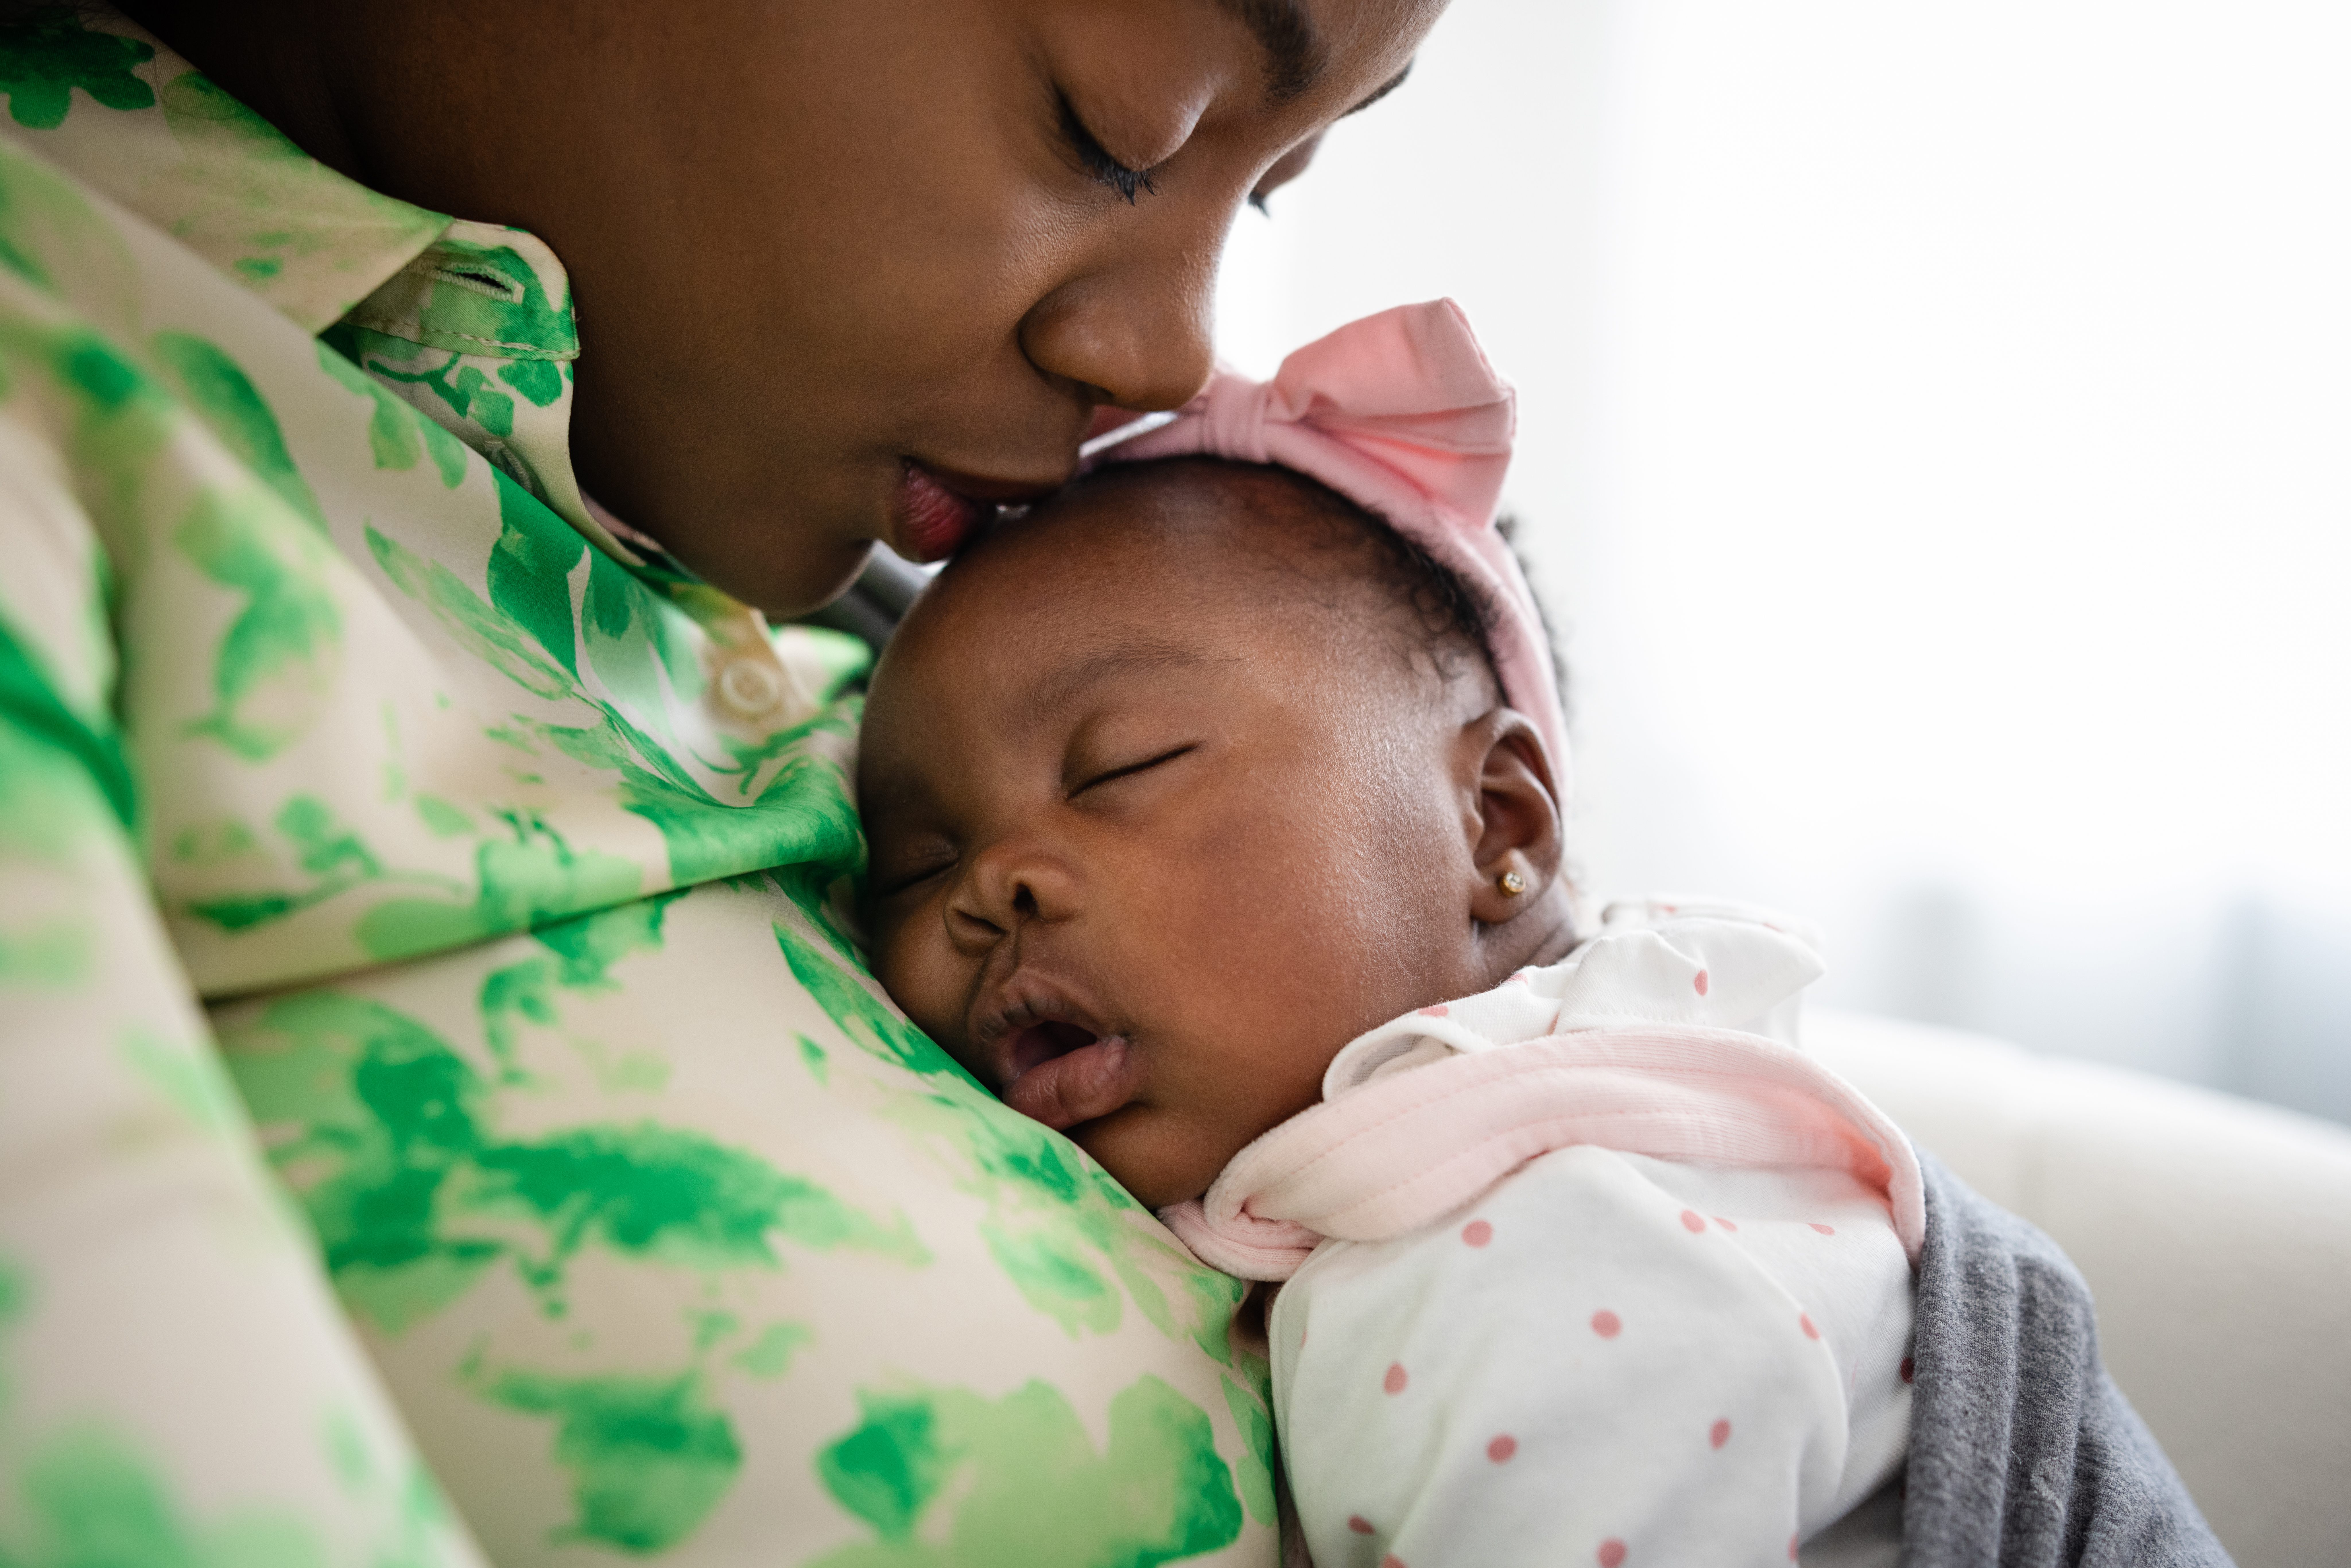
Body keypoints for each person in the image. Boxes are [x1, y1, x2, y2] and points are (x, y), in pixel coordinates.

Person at [0, 2, 1447, 1562]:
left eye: (1273, 188)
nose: (1167, 360)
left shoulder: (873, 648)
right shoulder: (60, 389)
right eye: (1119, 134)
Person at [856, 302, 2234, 1567]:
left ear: (1495, 824)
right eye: (917, 863)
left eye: (1118, 766)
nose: (993, 885)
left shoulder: (1542, 1220)